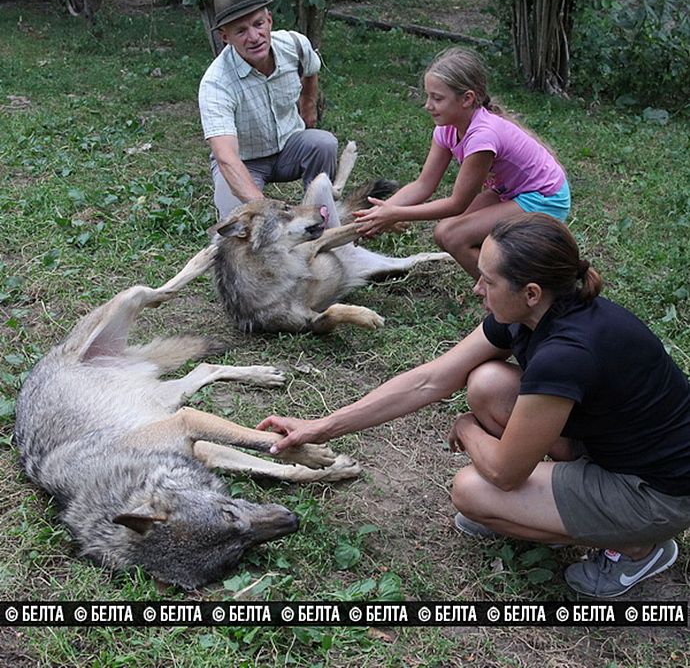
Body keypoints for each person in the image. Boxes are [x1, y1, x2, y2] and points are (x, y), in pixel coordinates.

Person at [258, 213, 690, 597]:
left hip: (658, 492)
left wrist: (466, 428)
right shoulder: (536, 314)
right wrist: (322, 426)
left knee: (473, 491)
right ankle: (557, 513)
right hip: (611, 448)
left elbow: (505, 471)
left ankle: (638, 549)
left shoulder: (566, 353)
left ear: (532, 292)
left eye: (489, 280)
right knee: (486, 383)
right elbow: (430, 380)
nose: (476, 288)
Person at [353, 48, 571, 279]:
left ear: (467, 99)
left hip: (545, 198)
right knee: (445, 231)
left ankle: (506, 295)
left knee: (453, 236)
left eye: (437, 98)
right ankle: (512, 276)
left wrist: (396, 214)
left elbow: (457, 203)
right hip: (512, 192)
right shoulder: (446, 130)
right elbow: (423, 185)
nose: (428, 105)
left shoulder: (482, 137)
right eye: (428, 96)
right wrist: (378, 214)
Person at [198, 0, 338, 220]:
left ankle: (320, 218)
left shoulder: (294, 45)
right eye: (240, 31)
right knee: (237, 230)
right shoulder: (216, 83)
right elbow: (226, 158)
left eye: (258, 24)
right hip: (245, 162)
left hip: (288, 147)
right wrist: (267, 211)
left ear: (269, 20)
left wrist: (308, 105)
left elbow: (311, 69)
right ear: (224, 37)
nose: (254, 37)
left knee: (324, 143)